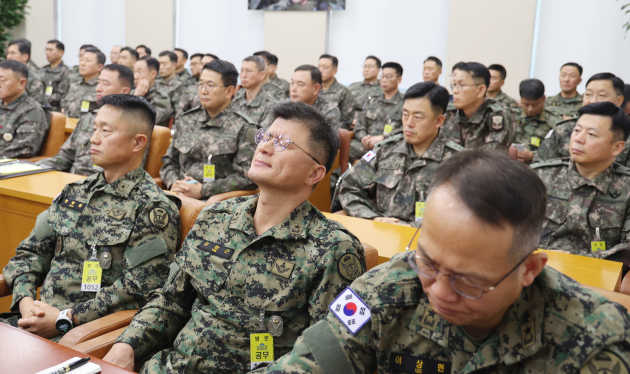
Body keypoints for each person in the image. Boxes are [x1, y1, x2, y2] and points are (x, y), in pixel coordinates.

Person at [255, 149, 630, 374]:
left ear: (529, 269)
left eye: (468, 282)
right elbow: (309, 363)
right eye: (429, 263)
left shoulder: (594, 338)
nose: (441, 291)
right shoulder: (382, 290)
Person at [103, 102, 366, 373]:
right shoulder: (215, 217)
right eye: (265, 137)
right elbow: (171, 301)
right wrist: (128, 345)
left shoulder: (333, 248)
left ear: (315, 173)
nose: (263, 147)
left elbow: (332, 350)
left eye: (283, 143)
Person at [0, 94, 181, 342]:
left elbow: (139, 288)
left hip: (85, 335)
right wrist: (26, 302)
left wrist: (65, 319)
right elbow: (30, 253)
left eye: (106, 131)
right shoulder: (74, 192)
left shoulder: (152, 209)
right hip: (33, 322)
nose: (93, 138)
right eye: (95, 128)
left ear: (138, 142)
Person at [340, 82, 464, 225]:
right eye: (405, 114)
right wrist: (372, 217)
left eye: (418, 117)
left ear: (438, 121)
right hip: (381, 231)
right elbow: (350, 187)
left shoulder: (458, 162)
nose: (409, 123)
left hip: (426, 240)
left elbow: (463, 214)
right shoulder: (385, 150)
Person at [533, 102, 630, 261]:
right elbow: (511, 227)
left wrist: (578, 262)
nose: (578, 139)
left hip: (594, 276)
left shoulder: (626, 188)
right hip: (538, 267)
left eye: (591, 134)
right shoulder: (540, 176)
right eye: (577, 130)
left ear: (617, 148)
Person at [160, 59, 258, 200]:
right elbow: (169, 161)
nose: (203, 91)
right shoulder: (186, 120)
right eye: (201, 84)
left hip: (215, 201)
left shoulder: (244, 127)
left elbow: (248, 177)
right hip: (179, 194)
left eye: (210, 85)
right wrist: (174, 183)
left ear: (229, 91)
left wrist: (205, 190)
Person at [37, 64, 133, 176]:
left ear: (124, 91)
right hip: (72, 182)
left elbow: (129, 171)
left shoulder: (133, 124)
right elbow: (66, 156)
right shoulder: (89, 118)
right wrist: (35, 166)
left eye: (105, 84)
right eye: (98, 82)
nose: (98, 88)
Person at [534, 73, 626, 164]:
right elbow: (539, 166)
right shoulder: (563, 129)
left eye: (601, 95)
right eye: (588, 94)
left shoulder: (624, 132)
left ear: (619, 100)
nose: (593, 101)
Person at [441, 61, 516, 151]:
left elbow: (488, 157)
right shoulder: (447, 111)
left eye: (461, 85)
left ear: (480, 90)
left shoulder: (498, 116)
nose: (455, 91)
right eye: (454, 85)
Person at [0, 60, 48, 158]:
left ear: (21, 83)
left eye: (2, 80)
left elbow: (23, 149)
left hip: (3, 167)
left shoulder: (31, 111)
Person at [350, 62, 404, 161]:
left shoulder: (404, 103)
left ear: (399, 79)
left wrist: (383, 138)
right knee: (345, 148)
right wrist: (365, 139)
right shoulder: (372, 100)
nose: (384, 80)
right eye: (382, 76)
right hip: (366, 145)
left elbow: (405, 130)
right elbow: (359, 125)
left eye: (389, 77)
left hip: (389, 146)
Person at [511, 79, 561, 164]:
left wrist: (533, 155)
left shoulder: (555, 121)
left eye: (535, 105)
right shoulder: (510, 116)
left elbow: (559, 152)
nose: (530, 109)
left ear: (544, 98)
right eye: (526, 104)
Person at [234, 56, 280, 127]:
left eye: (249, 71)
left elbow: (264, 134)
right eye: (242, 71)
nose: (243, 75)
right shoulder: (237, 99)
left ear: (262, 75)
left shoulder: (271, 105)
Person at [61, 47, 104, 118]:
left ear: (99, 67)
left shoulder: (101, 88)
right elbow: (64, 104)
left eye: (88, 61)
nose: (82, 63)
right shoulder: (74, 85)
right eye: (81, 60)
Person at [132, 56, 174, 126]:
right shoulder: (133, 91)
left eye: (139, 72)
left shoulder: (161, 97)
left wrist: (137, 98)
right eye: (134, 72)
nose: (135, 76)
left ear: (153, 74)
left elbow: (146, 122)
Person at [5, 39, 46, 105]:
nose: (9, 57)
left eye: (13, 53)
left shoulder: (33, 79)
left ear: (25, 57)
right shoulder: (4, 75)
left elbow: (36, 107)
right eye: (8, 53)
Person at [318, 54, 354, 129]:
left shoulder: (343, 91)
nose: (320, 70)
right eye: (319, 66)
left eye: (325, 67)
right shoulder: (314, 89)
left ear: (335, 71)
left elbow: (346, 121)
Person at [39, 40, 71, 112]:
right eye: (46, 50)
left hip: (54, 111)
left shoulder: (65, 72)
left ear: (61, 53)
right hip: (40, 109)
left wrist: (42, 101)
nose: (47, 53)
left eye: (50, 50)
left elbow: (62, 94)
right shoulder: (42, 70)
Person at [348, 56, 382, 124]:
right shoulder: (353, 87)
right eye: (365, 66)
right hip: (348, 124)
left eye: (370, 67)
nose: (366, 69)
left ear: (378, 70)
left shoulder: (382, 90)